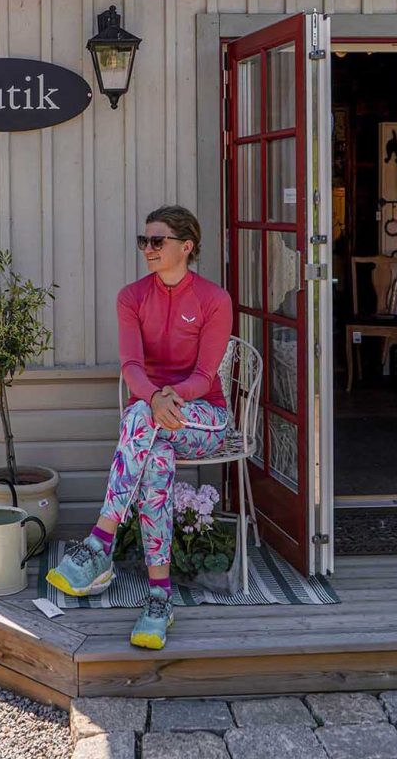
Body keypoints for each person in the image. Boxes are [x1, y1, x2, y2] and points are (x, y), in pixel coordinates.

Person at [46, 204, 232, 650]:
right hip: (151, 419)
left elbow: (206, 376)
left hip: (203, 417)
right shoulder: (131, 297)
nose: (147, 249)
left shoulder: (213, 299)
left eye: (157, 241)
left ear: (185, 247)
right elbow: (131, 365)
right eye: (143, 241)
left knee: (140, 419)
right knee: (155, 468)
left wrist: (166, 398)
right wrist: (153, 397)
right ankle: (157, 600)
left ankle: (98, 543)